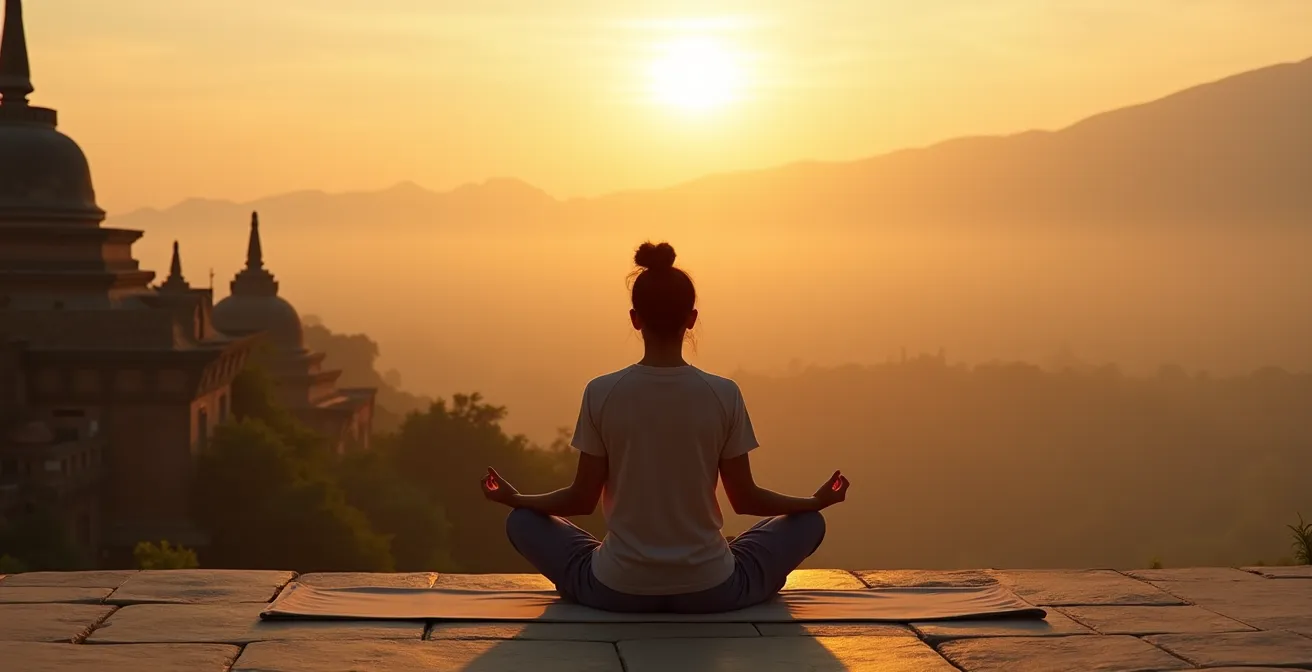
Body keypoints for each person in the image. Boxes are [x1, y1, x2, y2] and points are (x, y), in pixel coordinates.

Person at [480, 241, 851, 613]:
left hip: (615, 590)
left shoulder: (602, 393)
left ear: (634, 318)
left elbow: (581, 499)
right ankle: (714, 556)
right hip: (713, 590)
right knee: (809, 524)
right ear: (691, 318)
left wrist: (515, 499)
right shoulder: (723, 394)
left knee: (522, 522)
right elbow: (746, 499)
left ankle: (626, 564)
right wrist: (814, 502)